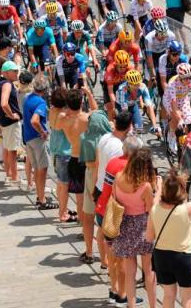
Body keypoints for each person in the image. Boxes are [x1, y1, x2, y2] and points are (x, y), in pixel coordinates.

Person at [147, 169, 191, 308]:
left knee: (168, 295)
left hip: (161, 256)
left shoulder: (154, 209)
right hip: (183, 257)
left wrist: (158, 189)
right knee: (188, 297)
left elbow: (149, 237)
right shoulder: (185, 210)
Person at [95, 134, 142, 306]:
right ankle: (123, 294)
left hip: (104, 209)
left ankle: (113, 289)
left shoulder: (113, 162)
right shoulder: (129, 168)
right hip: (117, 215)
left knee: (112, 255)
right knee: (122, 258)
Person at [53, 88, 99, 264]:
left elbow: (55, 125)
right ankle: (89, 227)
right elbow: (96, 111)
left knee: (80, 198)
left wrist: (63, 113)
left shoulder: (64, 120)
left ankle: (83, 227)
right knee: (92, 196)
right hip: (87, 158)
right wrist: (89, 93)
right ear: (81, 103)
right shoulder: (86, 118)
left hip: (73, 157)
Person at [111, 148, 158, 308]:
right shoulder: (145, 187)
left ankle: (131, 304)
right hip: (143, 228)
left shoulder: (118, 178)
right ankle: (153, 305)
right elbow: (150, 209)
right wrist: (156, 192)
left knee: (130, 272)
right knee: (149, 270)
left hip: (124, 227)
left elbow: (114, 199)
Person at [80, 110, 112, 267]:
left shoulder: (86, 139)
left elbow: (87, 162)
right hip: (107, 179)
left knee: (88, 216)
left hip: (91, 176)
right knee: (105, 220)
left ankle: (89, 251)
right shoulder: (110, 139)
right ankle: (106, 258)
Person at [23, 76, 59, 210]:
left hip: (28, 138)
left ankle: (40, 196)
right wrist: (43, 131)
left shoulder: (28, 98)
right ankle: (42, 200)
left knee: (37, 169)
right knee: (42, 170)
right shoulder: (40, 103)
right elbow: (34, 120)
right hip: (37, 139)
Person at [163, 63, 191, 152]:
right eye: (185, 78)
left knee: (189, 120)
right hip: (170, 99)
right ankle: (171, 135)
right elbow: (173, 103)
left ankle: (186, 144)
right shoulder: (172, 83)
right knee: (177, 116)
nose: (188, 80)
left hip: (183, 98)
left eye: (190, 77)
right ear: (180, 77)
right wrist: (179, 119)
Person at [49, 88, 78, 224]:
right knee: (65, 185)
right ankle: (63, 213)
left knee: (60, 182)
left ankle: (62, 209)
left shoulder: (52, 111)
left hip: (55, 149)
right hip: (64, 152)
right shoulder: (64, 114)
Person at [0, 61, 22, 185]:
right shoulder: (7, 84)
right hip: (10, 122)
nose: (17, 73)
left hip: (2, 120)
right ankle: (14, 177)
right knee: (13, 150)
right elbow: (4, 103)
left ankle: (8, 174)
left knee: (6, 147)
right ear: (6, 72)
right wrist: (12, 115)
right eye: (14, 71)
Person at [115, 70, 159, 134]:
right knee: (127, 130)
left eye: (138, 84)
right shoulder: (122, 90)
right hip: (121, 107)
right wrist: (130, 127)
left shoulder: (142, 87)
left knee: (139, 129)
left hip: (132, 105)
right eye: (133, 85)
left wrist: (155, 126)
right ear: (128, 83)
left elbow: (149, 106)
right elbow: (125, 112)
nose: (136, 87)